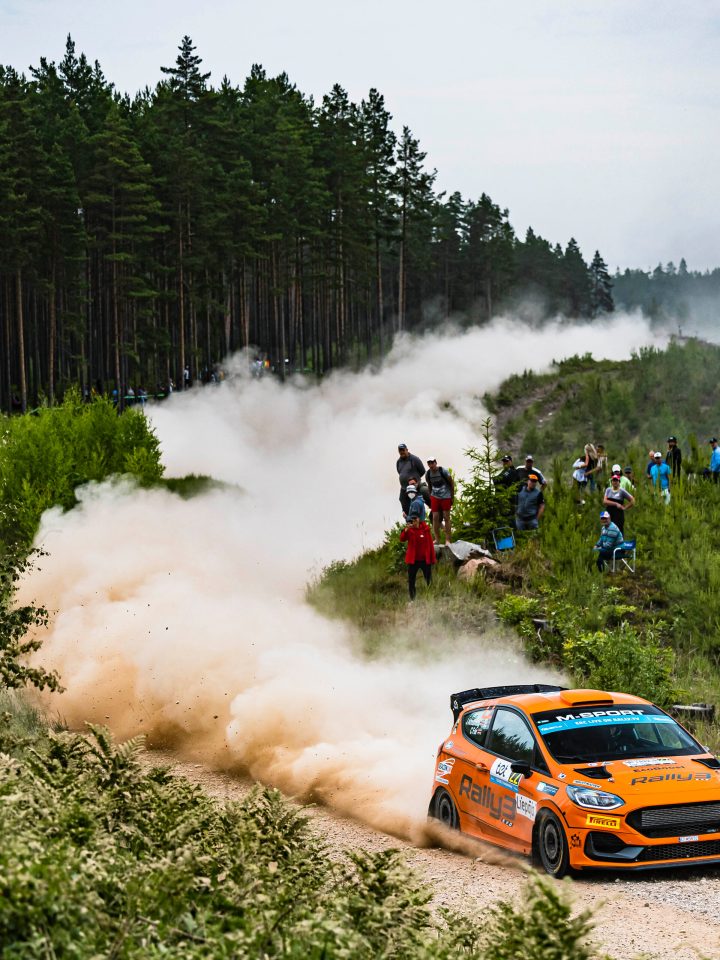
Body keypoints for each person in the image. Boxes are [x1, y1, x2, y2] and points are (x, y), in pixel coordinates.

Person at [400, 515, 436, 600]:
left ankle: (431, 597)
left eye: (415, 519)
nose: (414, 521)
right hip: (413, 561)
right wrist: (406, 530)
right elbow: (402, 539)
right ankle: (413, 599)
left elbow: (430, 544)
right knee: (411, 581)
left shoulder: (426, 529)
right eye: (412, 520)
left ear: (419, 519)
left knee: (429, 580)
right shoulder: (409, 530)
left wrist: (432, 558)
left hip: (425, 560)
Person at [425, 458, 455, 545]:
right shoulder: (428, 473)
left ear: (436, 463)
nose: (431, 465)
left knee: (446, 517)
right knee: (435, 517)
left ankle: (448, 540)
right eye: (429, 463)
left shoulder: (443, 471)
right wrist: (430, 497)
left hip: (446, 496)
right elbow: (429, 485)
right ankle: (437, 539)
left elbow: (451, 483)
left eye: (432, 463)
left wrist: (452, 497)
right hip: (435, 496)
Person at [396, 443, 427, 515]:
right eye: (400, 451)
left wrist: (415, 480)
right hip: (404, 488)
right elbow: (400, 472)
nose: (402, 452)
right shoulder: (398, 462)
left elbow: (422, 471)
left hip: (415, 486)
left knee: (417, 502)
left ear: (407, 450)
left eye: (403, 450)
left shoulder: (414, 459)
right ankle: (409, 519)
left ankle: (421, 517)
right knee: (402, 500)